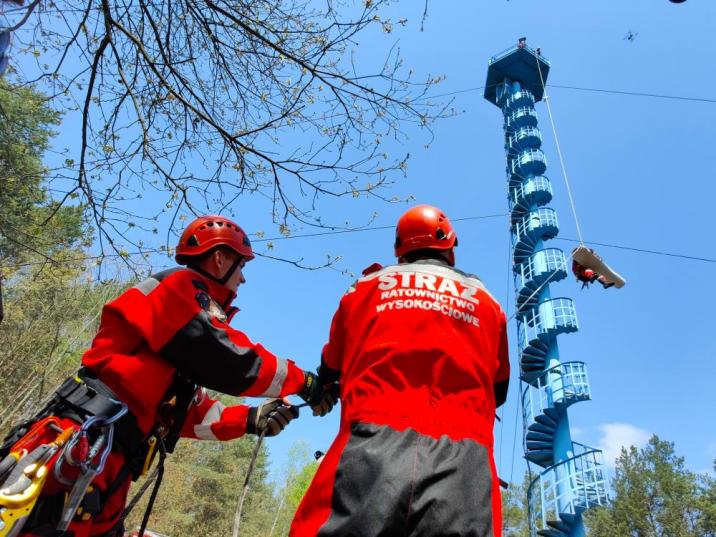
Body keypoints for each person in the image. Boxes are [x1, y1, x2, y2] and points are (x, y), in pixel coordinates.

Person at [0, 215, 325, 537]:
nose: (243, 280)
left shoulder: (179, 347)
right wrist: (304, 381)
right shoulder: (178, 289)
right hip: (83, 440)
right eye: (241, 267)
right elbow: (223, 354)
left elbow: (192, 412)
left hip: (111, 461)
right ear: (220, 258)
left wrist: (250, 419)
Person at [290, 205, 510, 537]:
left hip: (369, 451)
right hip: (466, 466)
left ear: (400, 249)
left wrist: (323, 385)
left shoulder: (366, 286)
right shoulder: (488, 302)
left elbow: (331, 364)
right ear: (450, 247)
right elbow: (500, 390)